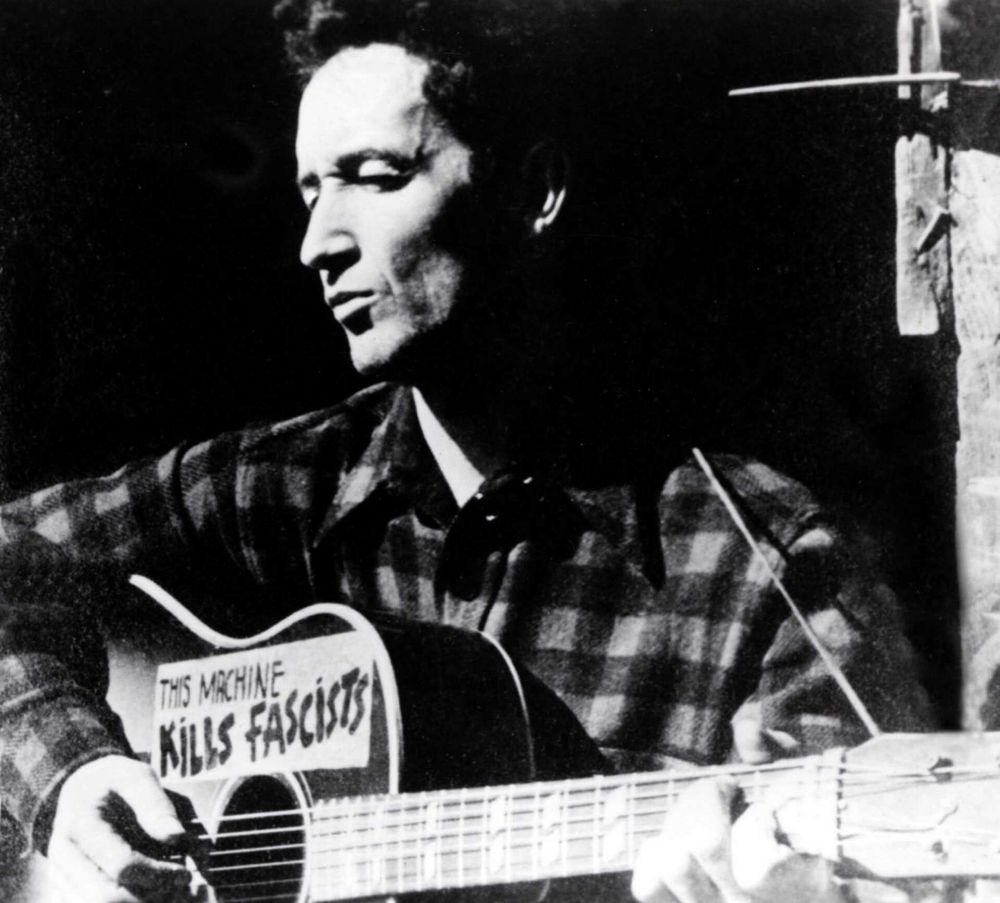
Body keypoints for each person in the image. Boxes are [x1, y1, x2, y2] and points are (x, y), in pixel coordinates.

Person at [0, 1, 930, 901]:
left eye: (373, 175)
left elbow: (850, 843)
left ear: (533, 192)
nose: (317, 243)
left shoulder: (764, 568)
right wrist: (69, 766)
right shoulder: (277, 491)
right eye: (310, 190)